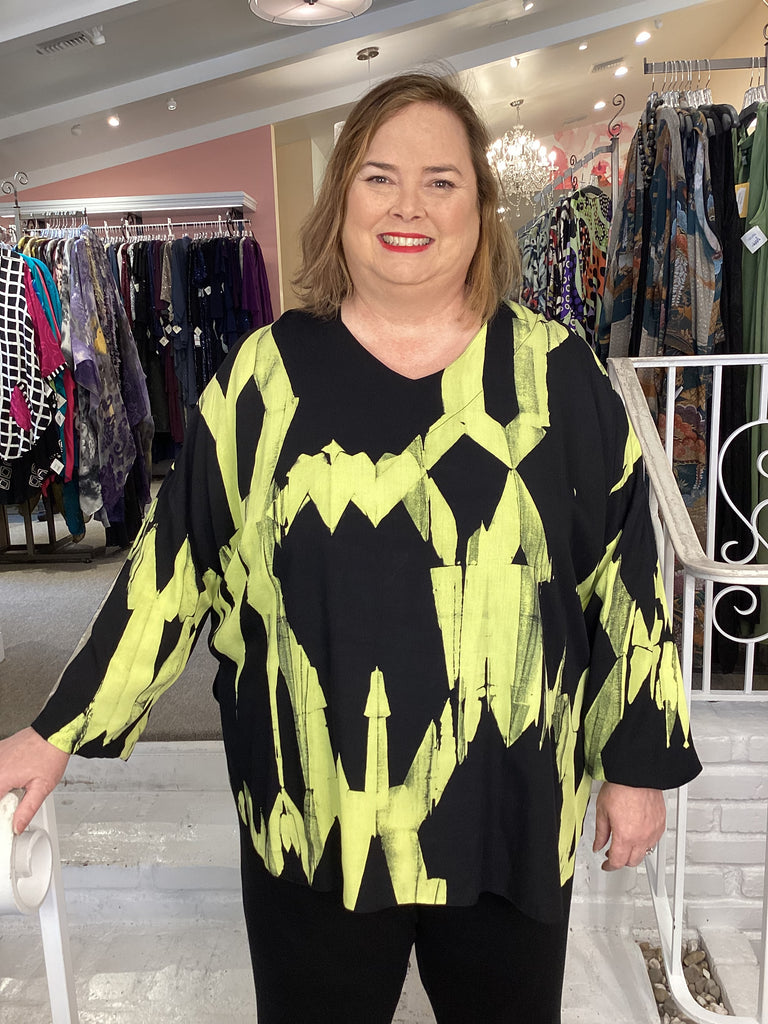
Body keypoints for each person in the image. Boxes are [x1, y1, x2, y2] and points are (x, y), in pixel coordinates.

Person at [0, 72, 701, 1023]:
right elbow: (173, 568)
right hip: (311, 816)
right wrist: (58, 729)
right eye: (380, 177)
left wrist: (638, 763)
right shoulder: (263, 378)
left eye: (441, 181)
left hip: (507, 804)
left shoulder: (555, 376)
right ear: (342, 202)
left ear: (480, 208)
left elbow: (624, 582)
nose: (410, 206)